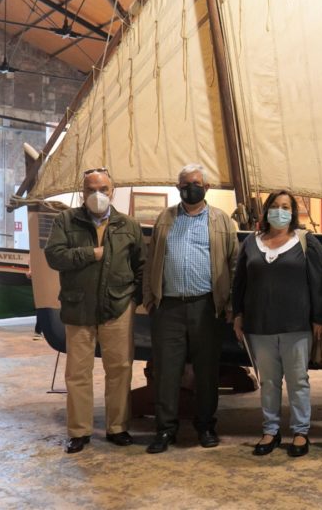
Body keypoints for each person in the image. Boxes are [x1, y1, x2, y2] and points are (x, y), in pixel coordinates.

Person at [44, 168, 145, 453]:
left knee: (120, 369)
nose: (97, 195)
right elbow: (54, 255)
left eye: (103, 189)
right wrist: (90, 254)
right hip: (79, 308)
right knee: (77, 372)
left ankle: (117, 427)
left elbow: (141, 265)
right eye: (91, 189)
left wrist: (133, 299)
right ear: (83, 191)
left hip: (118, 306)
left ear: (113, 191)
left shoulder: (128, 224)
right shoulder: (66, 220)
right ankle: (79, 431)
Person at [143, 164, 238, 453]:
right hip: (168, 307)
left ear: (206, 187)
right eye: (184, 184)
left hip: (206, 307)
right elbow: (151, 261)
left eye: (195, 183)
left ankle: (206, 426)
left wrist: (230, 304)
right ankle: (165, 430)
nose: (190, 188)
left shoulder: (221, 221)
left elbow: (234, 265)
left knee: (207, 371)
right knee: (166, 372)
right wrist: (150, 299)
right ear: (178, 187)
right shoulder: (165, 219)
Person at [232, 190, 322, 457]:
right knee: (269, 382)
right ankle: (270, 431)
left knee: (298, 380)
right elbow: (239, 281)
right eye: (275, 206)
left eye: (286, 206)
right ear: (266, 210)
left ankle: (300, 432)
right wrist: (237, 314)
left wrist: (319, 317)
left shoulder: (305, 241)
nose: (280, 211)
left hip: (296, 324)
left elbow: (319, 283)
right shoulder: (251, 243)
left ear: (293, 212)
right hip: (259, 324)